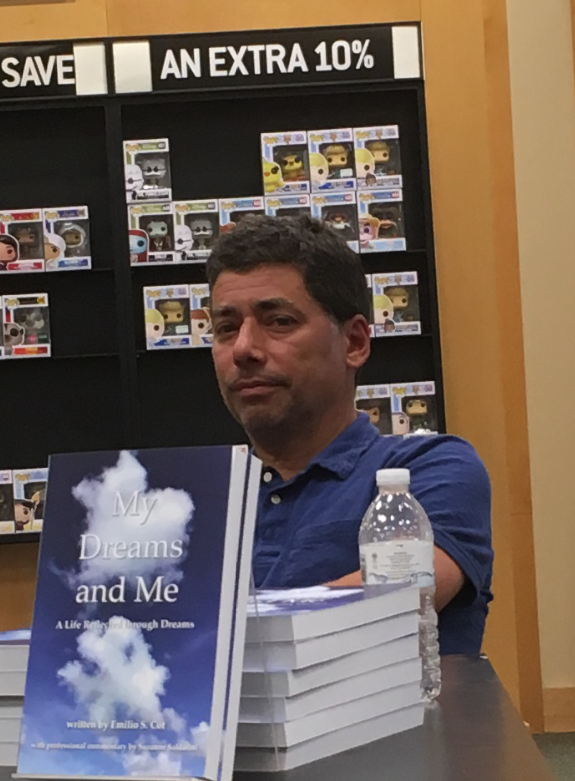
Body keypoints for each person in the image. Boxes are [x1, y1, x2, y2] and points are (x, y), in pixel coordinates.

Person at [207, 215, 493, 655]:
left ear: (355, 342)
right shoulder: (201, 498)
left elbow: (397, 601)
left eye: (279, 321)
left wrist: (188, 634)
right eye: (226, 328)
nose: (244, 348)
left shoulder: (428, 471)